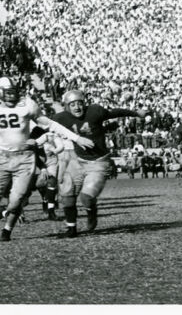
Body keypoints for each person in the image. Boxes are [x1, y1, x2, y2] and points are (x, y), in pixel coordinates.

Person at [0, 77, 94, 242]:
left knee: (18, 199)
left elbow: (50, 124)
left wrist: (76, 138)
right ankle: (3, 209)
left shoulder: (27, 105)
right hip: (1, 158)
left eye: (13, 92)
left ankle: (6, 230)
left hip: (24, 159)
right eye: (7, 93)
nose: (11, 97)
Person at [54, 89, 147, 238]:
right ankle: (71, 228)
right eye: (72, 105)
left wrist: (136, 113)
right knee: (67, 193)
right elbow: (43, 125)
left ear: (84, 103)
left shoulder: (94, 111)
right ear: (66, 106)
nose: (77, 107)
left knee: (86, 198)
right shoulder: (61, 118)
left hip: (99, 162)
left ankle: (92, 212)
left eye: (79, 103)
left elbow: (115, 113)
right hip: (77, 160)